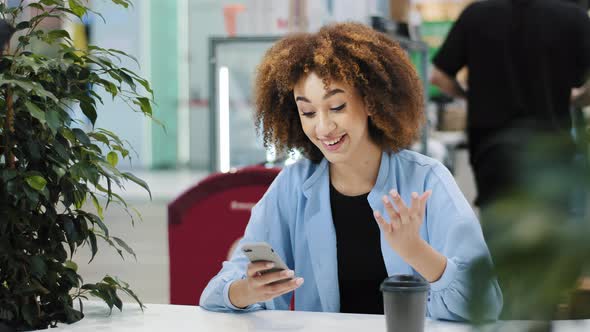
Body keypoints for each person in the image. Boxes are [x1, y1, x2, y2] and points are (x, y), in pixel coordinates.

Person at [200, 22, 502, 321]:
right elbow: (214, 294)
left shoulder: (427, 179)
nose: (323, 127)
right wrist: (247, 291)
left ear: (371, 102)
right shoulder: (293, 185)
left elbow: (486, 303)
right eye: (308, 112)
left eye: (337, 107)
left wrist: (416, 251)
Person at [430, 0, 590, 208]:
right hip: (551, 150)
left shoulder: (476, 15)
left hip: (492, 153)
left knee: (500, 233)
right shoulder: (572, 17)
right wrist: (577, 99)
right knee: (553, 231)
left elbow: (438, 77)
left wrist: (471, 96)